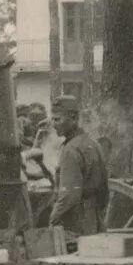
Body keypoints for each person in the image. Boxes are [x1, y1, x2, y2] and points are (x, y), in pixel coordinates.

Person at [43, 95, 108, 236]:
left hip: (76, 223)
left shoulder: (71, 149)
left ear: (73, 118)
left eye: (57, 119)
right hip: (94, 219)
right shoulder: (94, 143)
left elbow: (69, 196)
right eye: (52, 119)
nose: (53, 124)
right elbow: (104, 189)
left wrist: (53, 219)